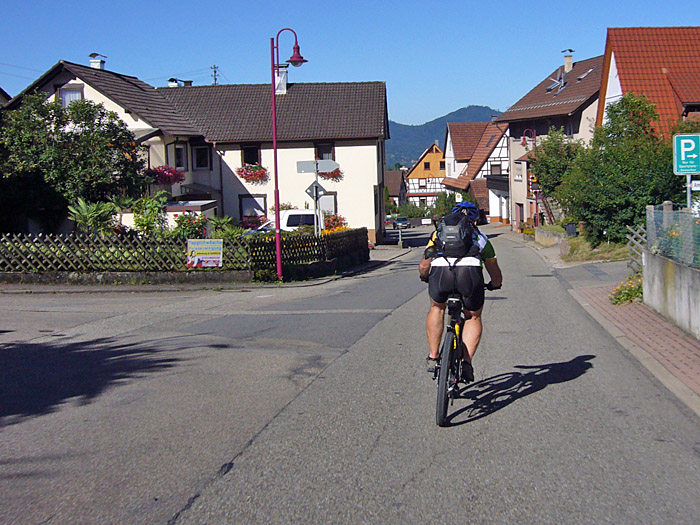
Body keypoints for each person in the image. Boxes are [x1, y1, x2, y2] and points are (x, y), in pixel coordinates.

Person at [418, 202, 502, 383]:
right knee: (472, 316)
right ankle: (466, 363)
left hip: (441, 273)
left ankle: (433, 357)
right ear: (475, 221)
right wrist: (495, 284)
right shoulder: (480, 237)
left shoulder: (437, 234)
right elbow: (493, 269)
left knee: (437, 308)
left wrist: (425, 276)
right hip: (469, 275)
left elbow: (425, 264)